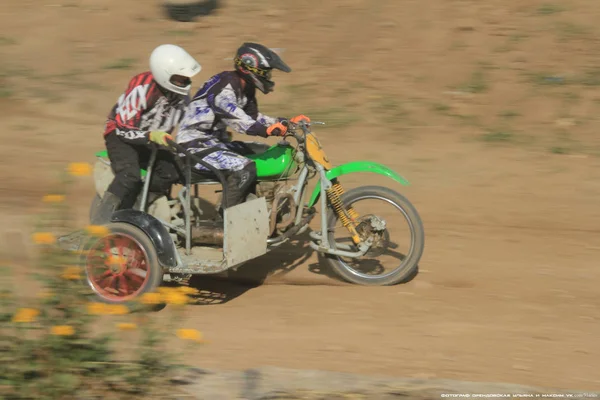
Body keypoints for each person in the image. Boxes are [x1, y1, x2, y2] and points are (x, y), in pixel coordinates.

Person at [176, 42, 310, 210]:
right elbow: (236, 119)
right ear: (250, 69)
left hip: (215, 143)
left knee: (263, 151)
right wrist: (266, 130)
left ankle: (263, 205)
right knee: (243, 168)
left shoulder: (245, 88)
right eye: (266, 73)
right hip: (193, 146)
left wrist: (285, 123)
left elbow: (253, 117)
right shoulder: (224, 87)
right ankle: (227, 219)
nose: (268, 77)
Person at [91, 44, 202, 225]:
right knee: (129, 175)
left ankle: (140, 204)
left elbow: (189, 123)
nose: (185, 83)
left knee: (174, 171)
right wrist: (150, 136)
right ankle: (101, 222)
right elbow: (123, 129)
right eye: (180, 79)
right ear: (164, 75)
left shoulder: (182, 97)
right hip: (120, 134)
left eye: (186, 79)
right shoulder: (142, 89)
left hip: (154, 139)